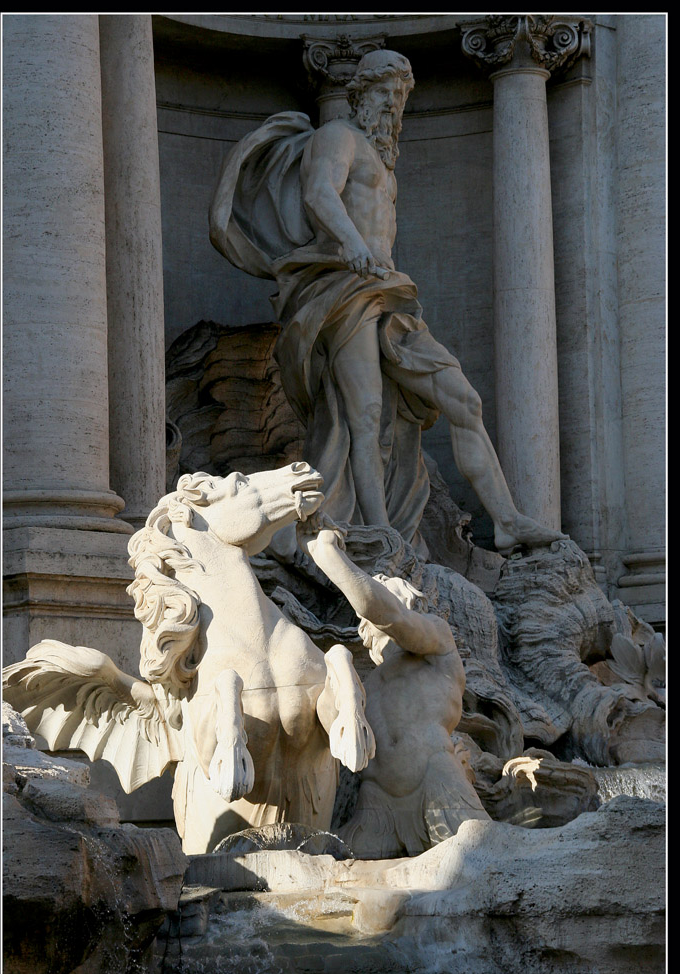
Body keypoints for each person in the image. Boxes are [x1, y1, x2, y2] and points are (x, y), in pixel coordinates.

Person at [210, 49, 565, 554]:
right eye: (387, 93)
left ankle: (507, 520)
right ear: (361, 93)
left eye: (401, 96)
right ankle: (380, 534)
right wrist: (353, 244)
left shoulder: (380, 157)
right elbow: (318, 194)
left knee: (463, 399)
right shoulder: (337, 137)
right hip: (342, 287)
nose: (395, 105)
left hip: (388, 292)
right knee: (365, 415)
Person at [297, 513, 491, 858]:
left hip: (435, 783)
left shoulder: (438, 645)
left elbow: (390, 616)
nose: (364, 627)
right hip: (376, 802)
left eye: (369, 620)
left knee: (482, 862)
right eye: (362, 624)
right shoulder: (367, 683)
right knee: (337, 872)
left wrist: (329, 555)